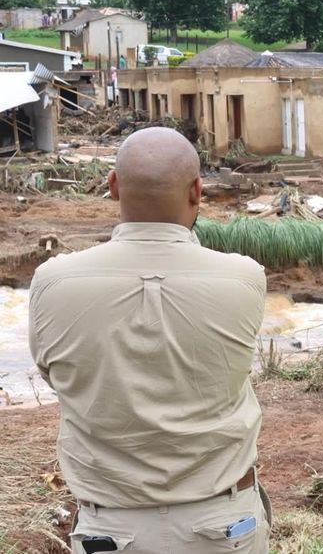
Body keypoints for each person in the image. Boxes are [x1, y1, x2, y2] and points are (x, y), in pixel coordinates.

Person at [29, 127, 270, 553]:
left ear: (113, 187)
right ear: (197, 191)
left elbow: (57, 375)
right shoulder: (243, 277)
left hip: (110, 528)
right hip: (223, 523)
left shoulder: (54, 281)